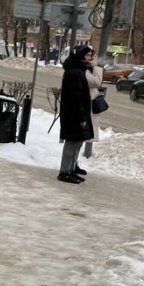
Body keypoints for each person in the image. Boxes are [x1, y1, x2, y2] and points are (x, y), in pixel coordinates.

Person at [58, 45, 95, 184]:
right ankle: (65, 171)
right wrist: (81, 117)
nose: (90, 58)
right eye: (87, 56)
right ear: (80, 57)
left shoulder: (78, 71)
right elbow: (76, 97)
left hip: (75, 113)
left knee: (77, 141)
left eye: (91, 56)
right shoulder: (75, 73)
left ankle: (71, 169)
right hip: (74, 114)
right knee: (72, 142)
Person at [82, 54, 104, 161]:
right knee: (77, 140)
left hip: (88, 105)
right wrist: (96, 67)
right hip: (86, 106)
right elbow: (96, 82)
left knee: (80, 138)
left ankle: (73, 166)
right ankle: (70, 167)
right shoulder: (83, 70)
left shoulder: (86, 69)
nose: (92, 59)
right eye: (90, 56)